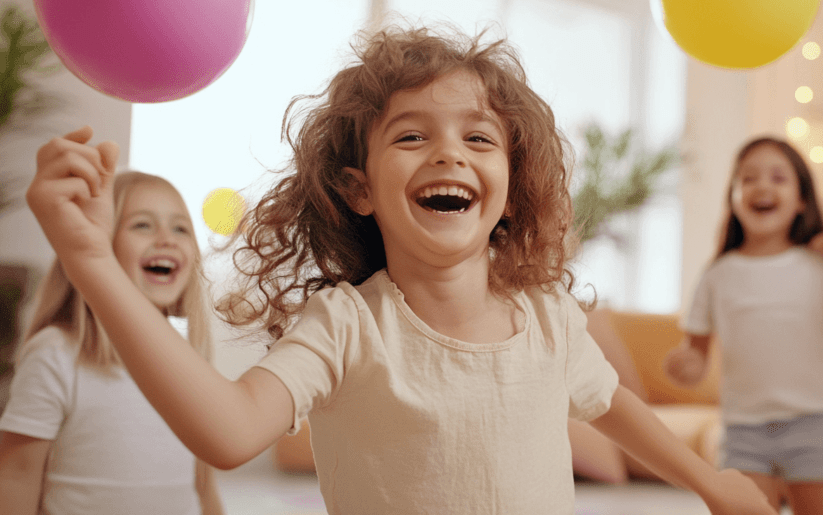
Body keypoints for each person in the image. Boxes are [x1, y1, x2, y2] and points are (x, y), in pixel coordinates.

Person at [23, 26, 775, 515]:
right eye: (412, 135)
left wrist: (708, 482)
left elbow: (610, 403)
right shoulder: (347, 326)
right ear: (358, 188)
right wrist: (93, 263)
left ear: (512, 182)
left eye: (479, 139)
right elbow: (225, 432)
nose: (449, 153)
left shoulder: (546, 316)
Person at [0, 171, 223, 515]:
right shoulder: (56, 353)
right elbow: (16, 475)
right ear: (97, 245)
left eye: (181, 228)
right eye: (142, 225)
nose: (167, 239)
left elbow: (203, 485)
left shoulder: (190, 360)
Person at [662, 136, 823, 514]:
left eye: (778, 177)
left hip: (814, 423)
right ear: (734, 197)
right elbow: (696, 352)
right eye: (748, 178)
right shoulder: (717, 275)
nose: (762, 187)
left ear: (801, 200)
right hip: (743, 430)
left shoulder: (820, 268)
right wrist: (686, 366)